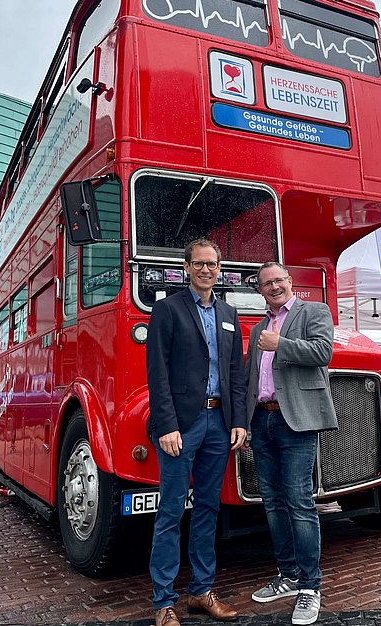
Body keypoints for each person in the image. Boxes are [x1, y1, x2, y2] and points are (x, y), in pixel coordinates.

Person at [146, 238, 247, 626]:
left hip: (219, 424)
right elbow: (157, 372)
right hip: (182, 426)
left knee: (208, 508)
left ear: (219, 269)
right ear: (186, 268)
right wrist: (166, 425)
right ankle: (163, 602)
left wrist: (238, 420)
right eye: (199, 264)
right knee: (171, 511)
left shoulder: (228, 313)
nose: (206, 270)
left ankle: (201, 592)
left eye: (212, 264)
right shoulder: (167, 309)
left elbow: (235, 372)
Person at [245, 262, 338, 626]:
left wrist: (280, 344)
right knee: (272, 502)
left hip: (296, 420)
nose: (273, 287)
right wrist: (246, 423)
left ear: (290, 281)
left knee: (299, 500)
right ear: (260, 290)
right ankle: (288, 576)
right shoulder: (258, 329)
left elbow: (323, 352)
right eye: (266, 283)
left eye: (278, 280)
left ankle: (310, 586)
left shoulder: (314, 311)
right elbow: (252, 378)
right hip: (263, 420)